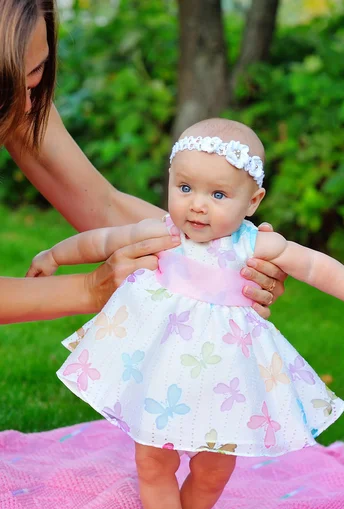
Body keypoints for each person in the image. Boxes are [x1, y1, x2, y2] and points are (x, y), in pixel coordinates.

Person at [29, 118, 344, 509]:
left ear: (253, 200)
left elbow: (315, 266)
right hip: (162, 367)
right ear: (170, 181)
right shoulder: (162, 232)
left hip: (226, 381)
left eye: (218, 195)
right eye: (185, 188)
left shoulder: (255, 245)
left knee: (214, 469)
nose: (197, 206)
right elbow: (102, 240)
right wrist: (55, 254)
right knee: (153, 458)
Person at [0, 0, 285, 325]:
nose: (24, 104)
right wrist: (89, 289)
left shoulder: (24, 103)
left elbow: (101, 205)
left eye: (35, 72)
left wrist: (219, 254)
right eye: (3, 87)